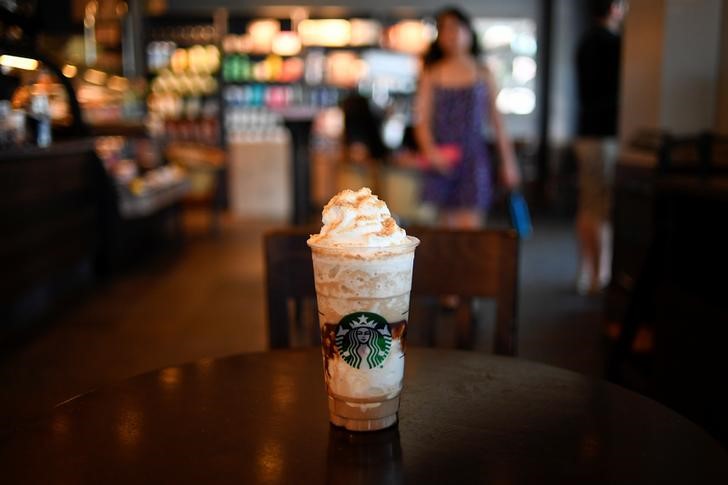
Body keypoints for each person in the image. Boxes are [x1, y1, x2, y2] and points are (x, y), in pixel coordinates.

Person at [414, 6, 520, 229]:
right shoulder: (431, 74)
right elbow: (421, 120)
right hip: (443, 158)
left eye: (456, 28)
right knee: (445, 231)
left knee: (471, 231)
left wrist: (508, 163)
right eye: (444, 29)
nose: (451, 35)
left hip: (474, 159)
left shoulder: (483, 74)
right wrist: (431, 153)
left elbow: (497, 122)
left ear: (469, 32)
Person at [574, 0, 625, 295]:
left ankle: (585, 272)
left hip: (585, 133)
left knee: (587, 205)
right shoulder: (616, 44)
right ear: (615, 9)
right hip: (605, 136)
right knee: (601, 208)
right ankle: (600, 276)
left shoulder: (584, 43)